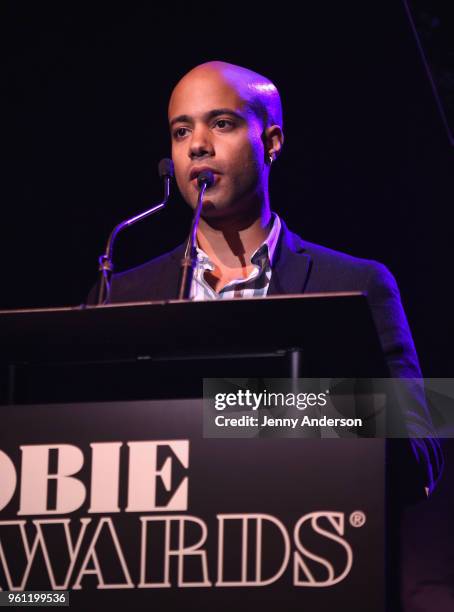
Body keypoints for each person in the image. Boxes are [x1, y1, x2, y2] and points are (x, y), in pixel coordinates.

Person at [89, 60, 442, 497]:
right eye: (181, 131)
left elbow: (422, 456)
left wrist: (245, 412)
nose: (197, 145)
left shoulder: (355, 284)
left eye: (221, 123)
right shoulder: (121, 296)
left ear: (271, 141)